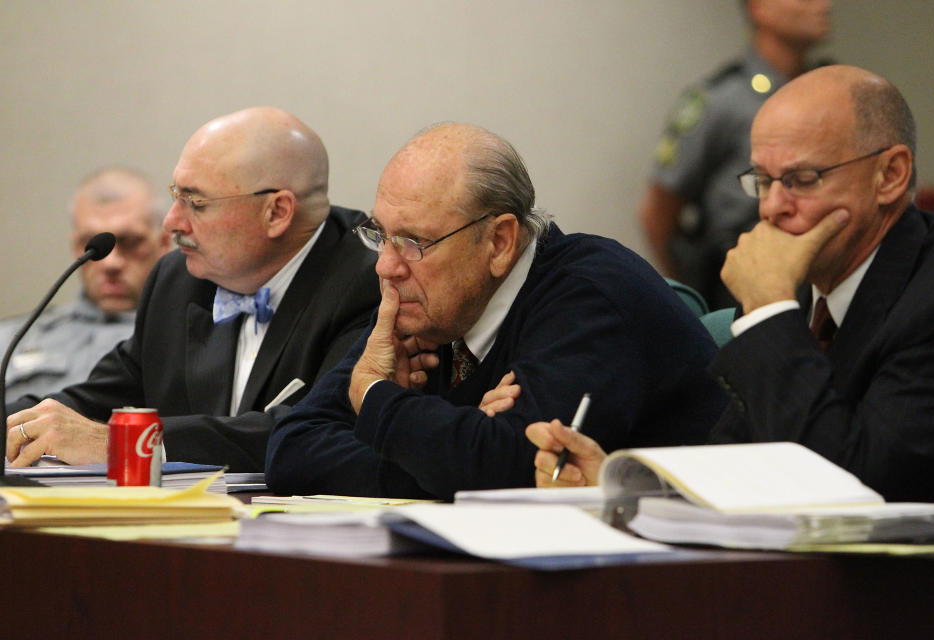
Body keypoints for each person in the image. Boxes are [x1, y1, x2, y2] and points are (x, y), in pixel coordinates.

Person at [531, 66, 934, 504]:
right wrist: (619, 487)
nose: (772, 208)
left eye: (801, 180)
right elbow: (739, 464)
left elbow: (858, 489)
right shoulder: (795, 287)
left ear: (889, 175)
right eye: (763, 181)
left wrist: (770, 311)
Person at [265, 123, 727, 500]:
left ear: (500, 242)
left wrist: (373, 396)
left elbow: (517, 468)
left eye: (415, 242)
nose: (386, 265)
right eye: (381, 234)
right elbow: (291, 450)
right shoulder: (422, 305)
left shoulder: (590, 296)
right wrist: (445, 456)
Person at [5, 107, 380, 472]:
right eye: (175, 196)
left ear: (277, 212)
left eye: (195, 203)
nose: (171, 223)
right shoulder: (178, 280)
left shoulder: (372, 282)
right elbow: (99, 400)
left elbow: (316, 431)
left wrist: (124, 442)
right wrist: (19, 424)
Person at [639, 0, 832, 309]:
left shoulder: (831, 92)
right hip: (738, 298)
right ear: (760, 7)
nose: (823, 4)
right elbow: (658, 215)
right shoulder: (721, 99)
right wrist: (702, 300)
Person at [0, 168, 169, 399]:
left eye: (130, 242)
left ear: (164, 243)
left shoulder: (190, 341)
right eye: (94, 244)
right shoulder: (13, 340)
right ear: (74, 247)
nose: (111, 263)